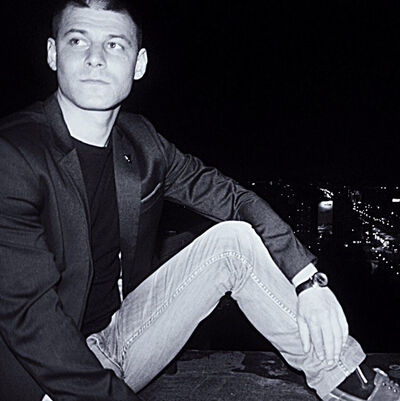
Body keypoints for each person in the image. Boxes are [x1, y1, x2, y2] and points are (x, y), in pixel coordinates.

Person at [0, 1, 397, 400]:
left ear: (139, 64)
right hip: (46, 377)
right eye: (77, 41)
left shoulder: (141, 142)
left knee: (233, 242)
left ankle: (351, 384)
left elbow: (233, 199)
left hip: (116, 345)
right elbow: (28, 317)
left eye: (114, 44)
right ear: (53, 53)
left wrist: (308, 282)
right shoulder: (14, 153)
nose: (95, 58)